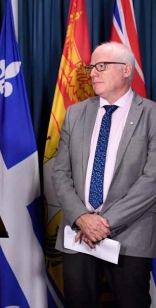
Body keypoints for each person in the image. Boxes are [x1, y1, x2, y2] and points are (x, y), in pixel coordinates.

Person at [53, 41, 156, 308]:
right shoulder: (76, 114)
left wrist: (104, 223)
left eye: (101, 66)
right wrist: (83, 218)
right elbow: (60, 173)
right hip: (78, 235)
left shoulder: (152, 115)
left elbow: (152, 180)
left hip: (131, 236)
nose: (92, 73)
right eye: (91, 67)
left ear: (126, 70)